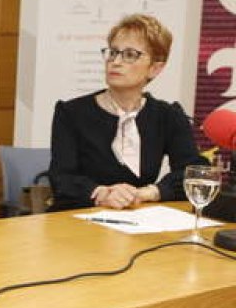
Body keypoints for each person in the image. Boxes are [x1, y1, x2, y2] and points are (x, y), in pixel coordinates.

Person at [48, 14, 205, 212]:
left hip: (137, 217)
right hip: (77, 219)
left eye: (130, 55)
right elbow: (62, 179)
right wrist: (103, 193)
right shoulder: (71, 113)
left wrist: (148, 192)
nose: (116, 61)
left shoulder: (168, 115)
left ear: (155, 68)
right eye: (113, 53)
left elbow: (194, 173)